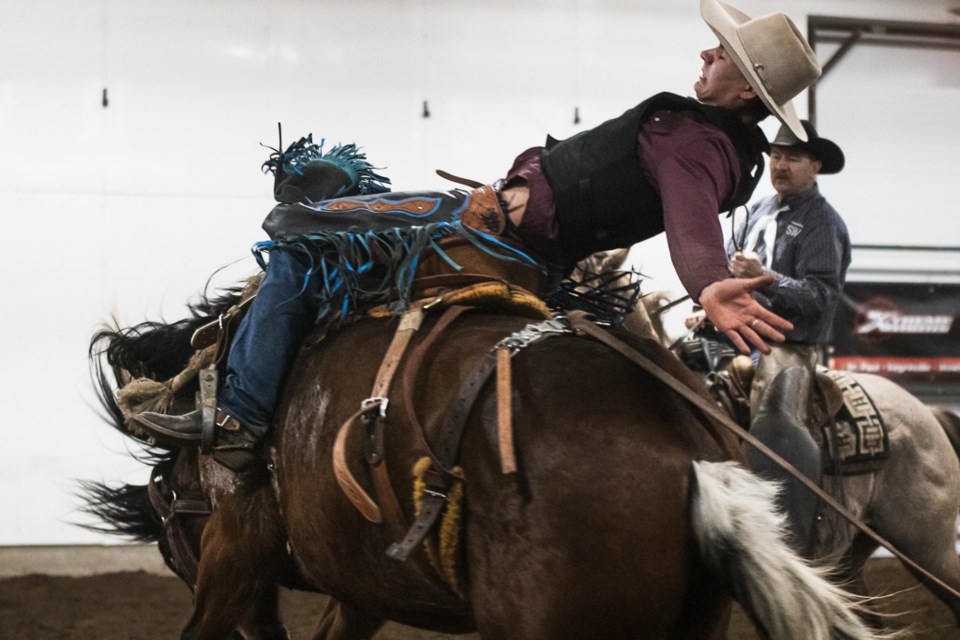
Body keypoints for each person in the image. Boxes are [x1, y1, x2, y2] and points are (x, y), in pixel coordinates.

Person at [133, 0, 823, 473]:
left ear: (744, 93)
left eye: (726, 53)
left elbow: (690, 213)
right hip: (510, 237)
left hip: (486, 232)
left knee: (296, 232)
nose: (708, 50)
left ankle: (242, 420)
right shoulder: (712, 139)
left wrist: (706, 281)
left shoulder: (697, 145)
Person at [687, 119, 850, 553]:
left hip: (788, 346)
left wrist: (767, 278)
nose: (780, 164)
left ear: (814, 165)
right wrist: (705, 310)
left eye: (792, 157)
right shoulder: (757, 211)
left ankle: (784, 539)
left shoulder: (822, 223)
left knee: (774, 412)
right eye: (776, 155)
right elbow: (723, 273)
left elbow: (821, 295)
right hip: (739, 335)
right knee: (674, 364)